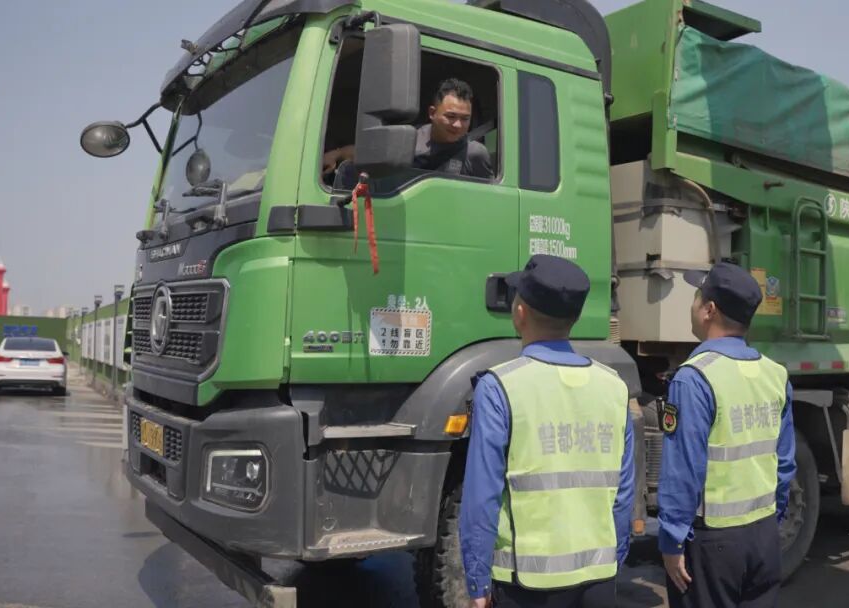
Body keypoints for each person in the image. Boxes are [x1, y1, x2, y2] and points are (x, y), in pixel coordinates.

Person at [459, 254, 635, 608]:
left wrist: (477, 582)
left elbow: (482, 497)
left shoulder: (500, 387)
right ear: (576, 317)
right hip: (598, 580)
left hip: (526, 585)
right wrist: (613, 559)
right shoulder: (613, 386)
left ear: (520, 312)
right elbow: (623, 492)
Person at [658, 262, 796, 608]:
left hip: (713, 543)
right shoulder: (775, 374)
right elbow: (784, 463)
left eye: (696, 297)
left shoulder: (694, 378)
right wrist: (772, 520)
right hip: (763, 535)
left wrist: (672, 541)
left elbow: (683, 470)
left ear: (709, 310)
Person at [322, 77, 493, 180]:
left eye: (465, 119)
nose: (458, 125)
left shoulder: (475, 154)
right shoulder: (409, 139)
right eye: (451, 116)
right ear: (432, 113)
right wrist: (337, 154)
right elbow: (371, 153)